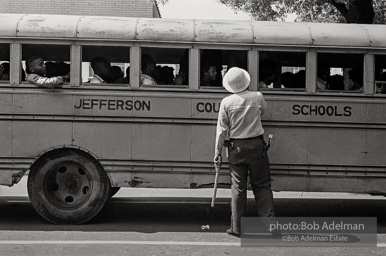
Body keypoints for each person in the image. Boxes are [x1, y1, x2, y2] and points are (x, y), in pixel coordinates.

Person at [214, 67, 276, 237]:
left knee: (238, 188)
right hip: (257, 147)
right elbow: (263, 111)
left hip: (236, 149)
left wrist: (217, 153)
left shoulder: (226, 102)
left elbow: (221, 131)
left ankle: (237, 228)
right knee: (262, 186)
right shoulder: (257, 97)